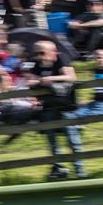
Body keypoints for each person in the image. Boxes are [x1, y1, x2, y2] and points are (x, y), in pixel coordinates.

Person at [25, 40, 86, 179]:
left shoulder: (61, 58)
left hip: (67, 107)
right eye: (35, 53)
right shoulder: (35, 63)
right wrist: (43, 81)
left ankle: (80, 173)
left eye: (41, 52)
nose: (38, 56)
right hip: (47, 107)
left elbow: (71, 76)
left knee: (73, 141)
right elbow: (30, 81)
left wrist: (47, 79)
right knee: (52, 142)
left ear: (53, 51)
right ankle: (58, 170)